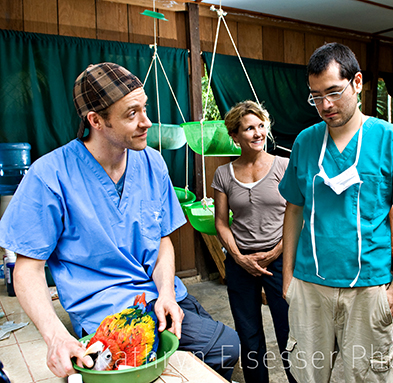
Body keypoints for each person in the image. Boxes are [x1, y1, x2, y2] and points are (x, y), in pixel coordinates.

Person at [0, 62, 240, 379]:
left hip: (164, 291)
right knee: (226, 345)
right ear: (96, 120)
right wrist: (55, 336)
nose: (146, 122)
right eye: (131, 114)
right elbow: (28, 268)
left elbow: (162, 240)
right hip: (112, 309)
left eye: (145, 108)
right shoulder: (51, 176)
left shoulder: (151, 162)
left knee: (222, 346)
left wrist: (167, 292)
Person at [278, 42, 393, 383]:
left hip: (369, 287)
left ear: (357, 82)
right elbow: (293, 209)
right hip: (310, 284)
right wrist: (288, 280)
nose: (325, 105)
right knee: (306, 374)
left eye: (333, 92)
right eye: (315, 96)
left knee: (368, 375)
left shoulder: (390, 139)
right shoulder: (305, 141)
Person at [212, 101, 296, 383]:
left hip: (280, 260)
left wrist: (275, 252)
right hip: (240, 262)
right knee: (248, 334)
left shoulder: (284, 166)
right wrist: (239, 258)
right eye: (249, 128)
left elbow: (299, 217)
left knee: (288, 332)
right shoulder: (223, 174)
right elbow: (221, 222)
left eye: (261, 126)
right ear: (235, 136)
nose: (258, 133)